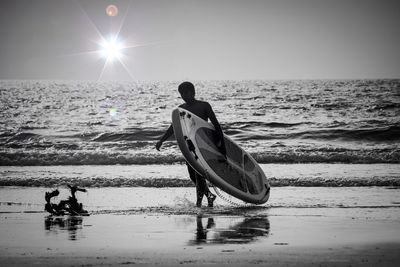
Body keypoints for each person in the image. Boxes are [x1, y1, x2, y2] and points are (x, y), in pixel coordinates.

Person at [155, 81, 226, 207]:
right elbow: (173, 127)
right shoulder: (182, 109)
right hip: (190, 146)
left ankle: (199, 203)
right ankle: (209, 195)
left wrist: (221, 145)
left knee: (199, 176)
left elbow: (216, 124)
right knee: (192, 175)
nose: (183, 96)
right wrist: (162, 140)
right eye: (181, 94)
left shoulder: (204, 106)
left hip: (203, 145)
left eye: (185, 93)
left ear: (193, 92)